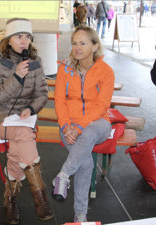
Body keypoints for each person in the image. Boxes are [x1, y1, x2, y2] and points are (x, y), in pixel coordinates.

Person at [0, 18, 53, 224]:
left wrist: (31, 108)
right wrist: (17, 77)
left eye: (27, 37)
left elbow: (42, 94)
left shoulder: (35, 61)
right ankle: (41, 198)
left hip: (22, 117)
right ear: (8, 39)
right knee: (24, 135)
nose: (24, 41)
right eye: (19, 36)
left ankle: (10, 199)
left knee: (17, 149)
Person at [52, 25, 115, 222]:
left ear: (95, 46)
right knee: (85, 162)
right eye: (74, 43)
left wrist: (80, 127)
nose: (77, 47)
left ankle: (63, 175)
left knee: (88, 134)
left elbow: (102, 105)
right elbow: (59, 101)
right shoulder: (65, 69)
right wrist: (66, 126)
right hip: (69, 126)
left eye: (83, 43)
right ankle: (80, 216)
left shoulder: (106, 72)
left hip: (98, 124)